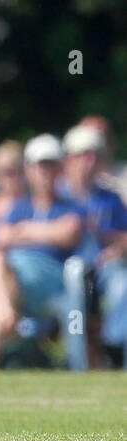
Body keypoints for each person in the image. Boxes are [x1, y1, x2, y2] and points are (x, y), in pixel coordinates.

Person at [0, 135, 84, 374]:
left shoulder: (71, 206)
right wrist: (46, 232)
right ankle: (5, 318)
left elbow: (70, 233)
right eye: (39, 165)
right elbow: (1, 238)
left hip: (52, 279)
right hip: (14, 275)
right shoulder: (20, 207)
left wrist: (23, 231)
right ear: (30, 171)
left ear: (60, 168)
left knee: (0, 268)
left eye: (50, 164)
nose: (44, 171)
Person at [59, 124, 127, 367]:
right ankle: (77, 363)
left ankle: (113, 347)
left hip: (104, 271)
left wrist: (116, 247)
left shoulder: (110, 198)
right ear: (67, 160)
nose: (89, 162)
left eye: (94, 156)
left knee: (122, 284)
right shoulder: (56, 195)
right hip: (64, 271)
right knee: (75, 288)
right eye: (82, 155)